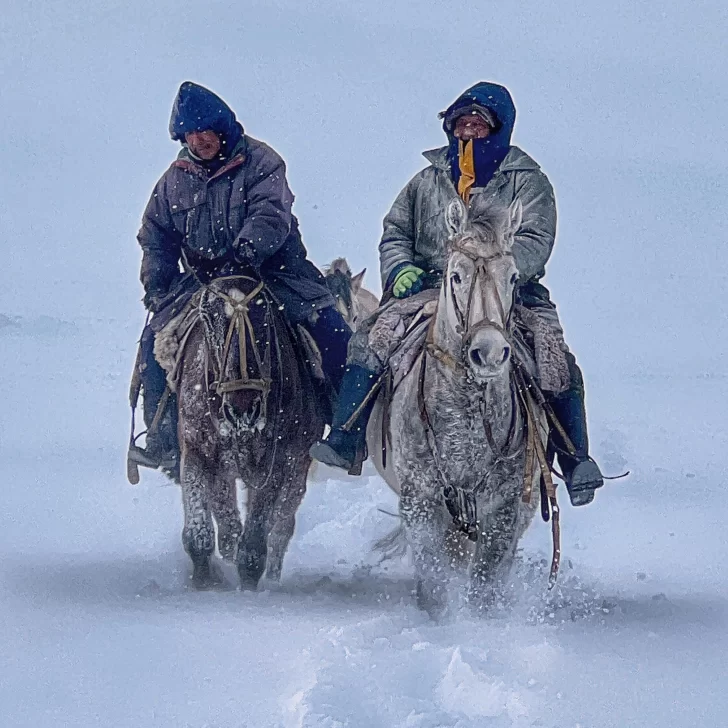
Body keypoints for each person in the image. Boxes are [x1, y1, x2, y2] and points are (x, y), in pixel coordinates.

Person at [310, 81, 604, 506]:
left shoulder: (528, 181)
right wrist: (400, 269)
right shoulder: (425, 181)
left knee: (554, 356)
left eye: (478, 126)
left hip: (509, 290)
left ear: (498, 130)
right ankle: (346, 437)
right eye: (461, 124)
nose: (468, 132)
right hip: (430, 288)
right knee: (372, 339)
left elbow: (537, 237)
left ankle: (575, 460)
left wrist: (494, 266)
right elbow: (396, 232)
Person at [130, 81, 350, 470]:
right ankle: (163, 437)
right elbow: (155, 235)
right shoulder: (173, 180)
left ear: (223, 128)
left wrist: (246, 252)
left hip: (274, 273)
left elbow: (271, 212)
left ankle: (344, 425)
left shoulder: (263, 162)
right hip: (201, 283)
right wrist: (158, 283)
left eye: (205, 132)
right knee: (152, 345)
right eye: (190, 135)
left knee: (332, 332)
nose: (198, 142)